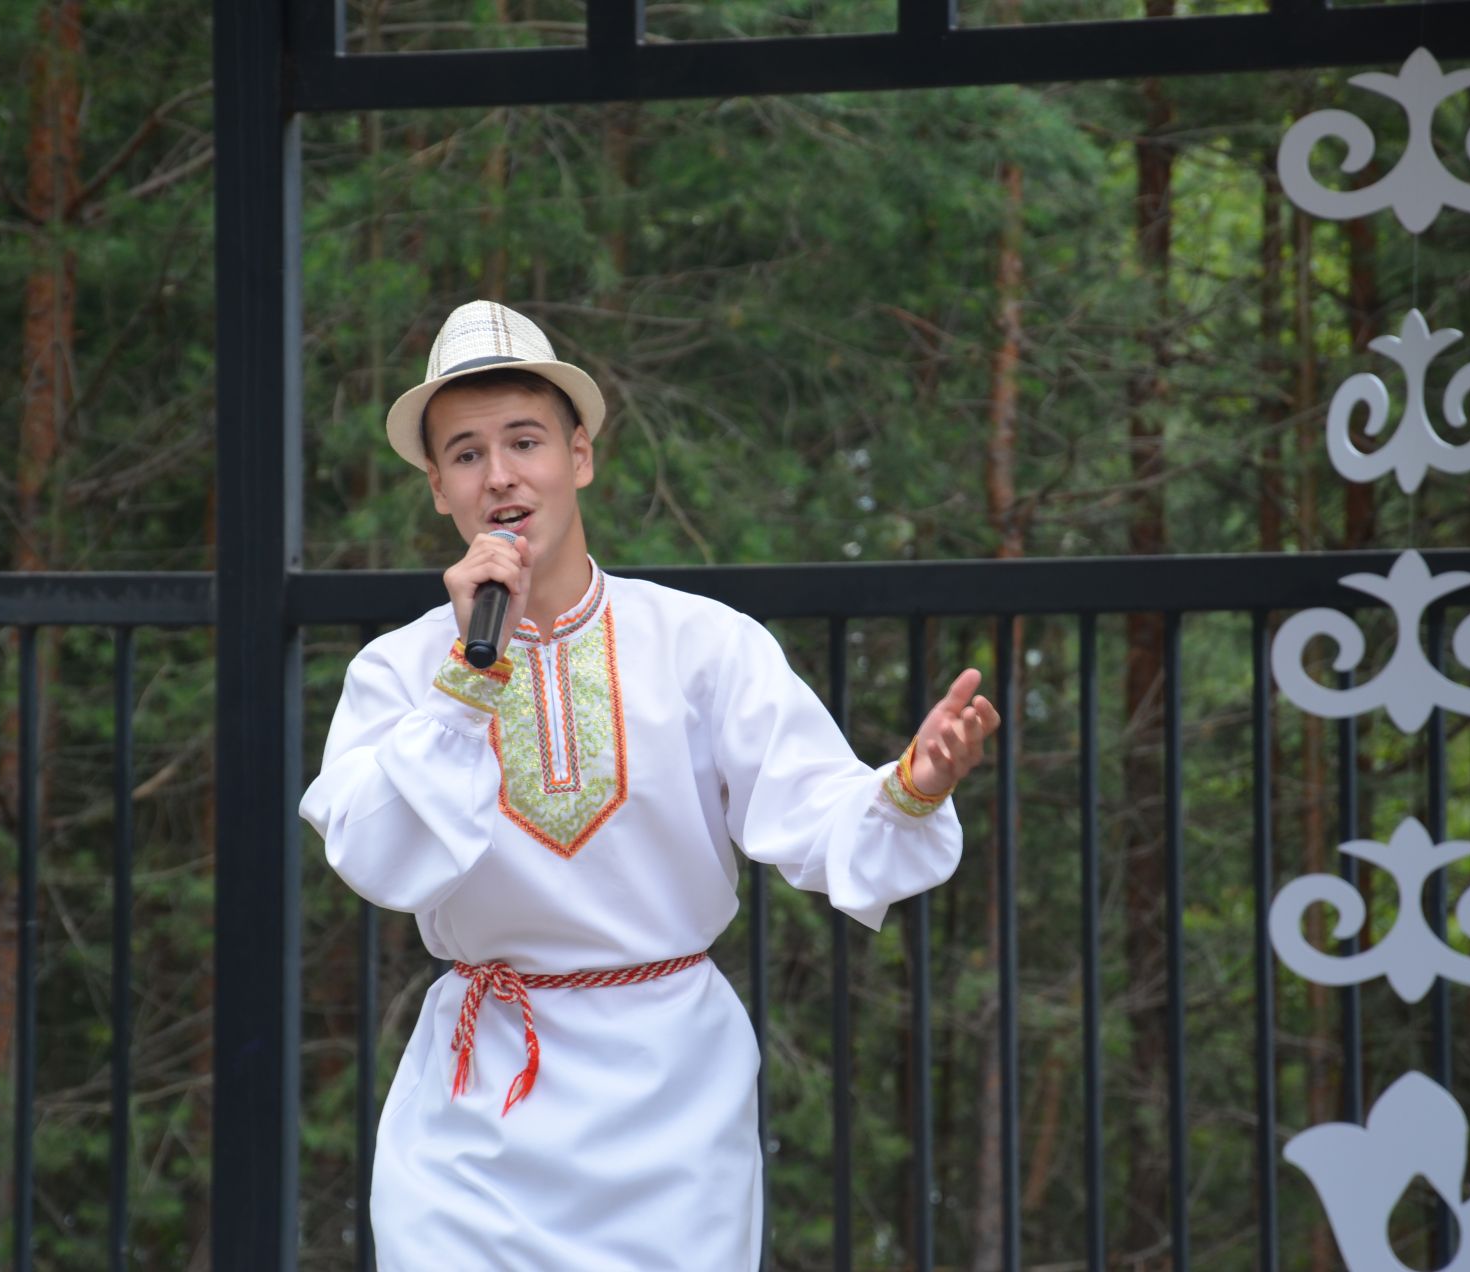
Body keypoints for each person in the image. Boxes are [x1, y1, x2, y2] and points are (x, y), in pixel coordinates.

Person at [299, 299, 1000, 1270]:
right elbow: (376, 854)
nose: (499, 473)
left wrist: (912, 786)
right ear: (437, 488)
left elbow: (813, 810)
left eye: (524, 440)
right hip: (479, 1100)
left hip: (671, 1097)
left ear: (579, 457)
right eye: (464, 453)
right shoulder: (399, 670)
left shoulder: (703, 643)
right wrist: (468, 676)